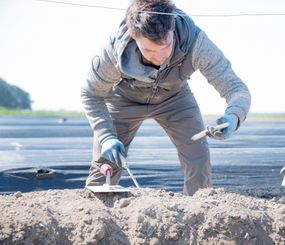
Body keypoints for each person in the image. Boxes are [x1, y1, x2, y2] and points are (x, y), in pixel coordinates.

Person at [81, 0, 251, 196]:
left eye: (166, 47)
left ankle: (196, 216)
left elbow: (237, 89)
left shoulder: (196, 43)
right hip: (124, 99)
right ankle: (95, 217)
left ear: (172, 28)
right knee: (105, 165)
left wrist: (233, 117)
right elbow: (91, 93)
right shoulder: (114, 51)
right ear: (133, 36)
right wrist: (106, 136)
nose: (159, 57)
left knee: (199, 160)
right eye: (149, 50)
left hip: (174, 98)